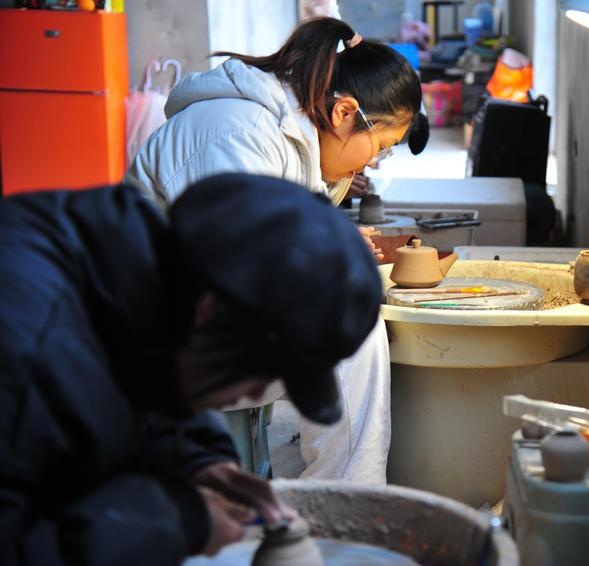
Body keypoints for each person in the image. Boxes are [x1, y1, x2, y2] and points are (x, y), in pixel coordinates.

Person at [0, 173, 383, 565]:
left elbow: (145, 380)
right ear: (212, 312)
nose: (254, 395)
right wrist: (173, 521)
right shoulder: (24, 354)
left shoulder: (141, 272)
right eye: (263, 372)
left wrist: (200, 460)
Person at [125, 17, 428, 483]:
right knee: (352, 330)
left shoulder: (286, 132)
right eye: (381, 146)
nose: (373, 160)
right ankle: (346, 500)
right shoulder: (234, 134)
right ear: (345, 113)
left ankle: (340, 496)